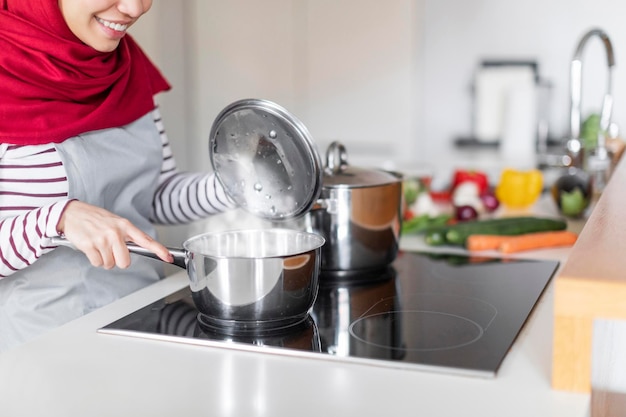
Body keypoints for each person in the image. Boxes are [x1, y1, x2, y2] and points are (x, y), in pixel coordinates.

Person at [0, 0, 235, 351]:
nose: (135, 7)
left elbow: (152, 195)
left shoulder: (123, 64)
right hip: (36, 350)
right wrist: (58, 218)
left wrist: (238, 185)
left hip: (141, 323)